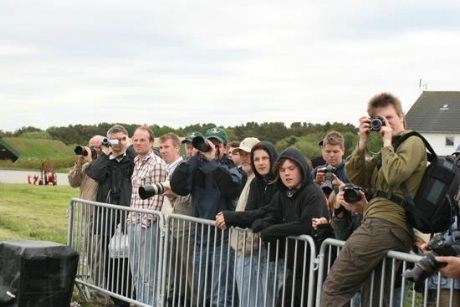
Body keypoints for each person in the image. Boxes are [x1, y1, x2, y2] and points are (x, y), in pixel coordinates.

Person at [321, 92, 427, 307]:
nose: (386, 124)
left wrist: (387, 142)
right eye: (380, 120)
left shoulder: (412, 141)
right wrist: (362, 142)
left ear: (402, 116)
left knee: (335, 285)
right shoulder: (387, 150)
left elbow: (395, 174)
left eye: (390, 118)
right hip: (386, 226)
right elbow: (358, 176)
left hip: (384, 224)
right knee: (375, 297)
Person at [217, 147, 331, 306]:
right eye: (283, 170)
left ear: (301, 169)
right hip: (296, 266)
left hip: (315, 266)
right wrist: (260, 223)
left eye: (291, 169)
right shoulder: (284, 193)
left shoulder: (312, 193)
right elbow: (268, 212)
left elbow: (306, 225)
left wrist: (272, 230)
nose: (287, 173)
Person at [170, 126, 243, 306]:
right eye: (209, 144)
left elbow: (230, 189)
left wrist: (212, 162)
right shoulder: (197, 168)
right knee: (204, 295)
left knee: (221, 296)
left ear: (225, 148)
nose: (212, 148)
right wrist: (193, 158)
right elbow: (178, 185)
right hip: (201, 240)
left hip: (223, 242)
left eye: (217, 145)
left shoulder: (232, 168)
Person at [216, 140, 281, 307]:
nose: (259, 162)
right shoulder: (256, 182)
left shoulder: (279, 182)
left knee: (266, 300)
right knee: (249, 300)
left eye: (264, 158)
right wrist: (251, 219)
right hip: (248, 248)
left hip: (271, 252)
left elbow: (270, 212)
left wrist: (236, 218)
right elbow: (254, 212)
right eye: (255, 158)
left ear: (273, 159)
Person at [85, 124, 135, 307]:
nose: (119, 143)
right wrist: (106, 153)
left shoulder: (132, 158)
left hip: (127, 218)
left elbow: (136, 164)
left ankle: (128, 298)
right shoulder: (107, 160)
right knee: (109, 262)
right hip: (107, 218)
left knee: (127, 262)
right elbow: (93, 173)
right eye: (115, 139)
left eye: (122, 139)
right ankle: (115, 298)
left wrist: (127, 147)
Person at [127, 126, 167, 306]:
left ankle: (150, 303)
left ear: (151, 142)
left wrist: (145, 223)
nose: (138, 143)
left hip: (147, 225)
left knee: (148, 271)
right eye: (135, 139)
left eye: (142, 140)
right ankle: (140, 302)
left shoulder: (157, 164)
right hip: (133, 221)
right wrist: (130, 220)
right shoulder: (137, 161)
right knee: (135, 268)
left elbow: (157, 198)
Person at [67, 135, 105, 293]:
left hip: (99, 216)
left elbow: (100, 174)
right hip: (86, 216)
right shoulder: (85, 164)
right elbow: (73, 182)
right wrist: (79, 163)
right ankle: (98, 289)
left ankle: (101, 293)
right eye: (91, 146)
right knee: (90, 255)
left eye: (97, 146)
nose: (94, 149)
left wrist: (90, 162)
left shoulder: (104, 163)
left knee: (98, 257)